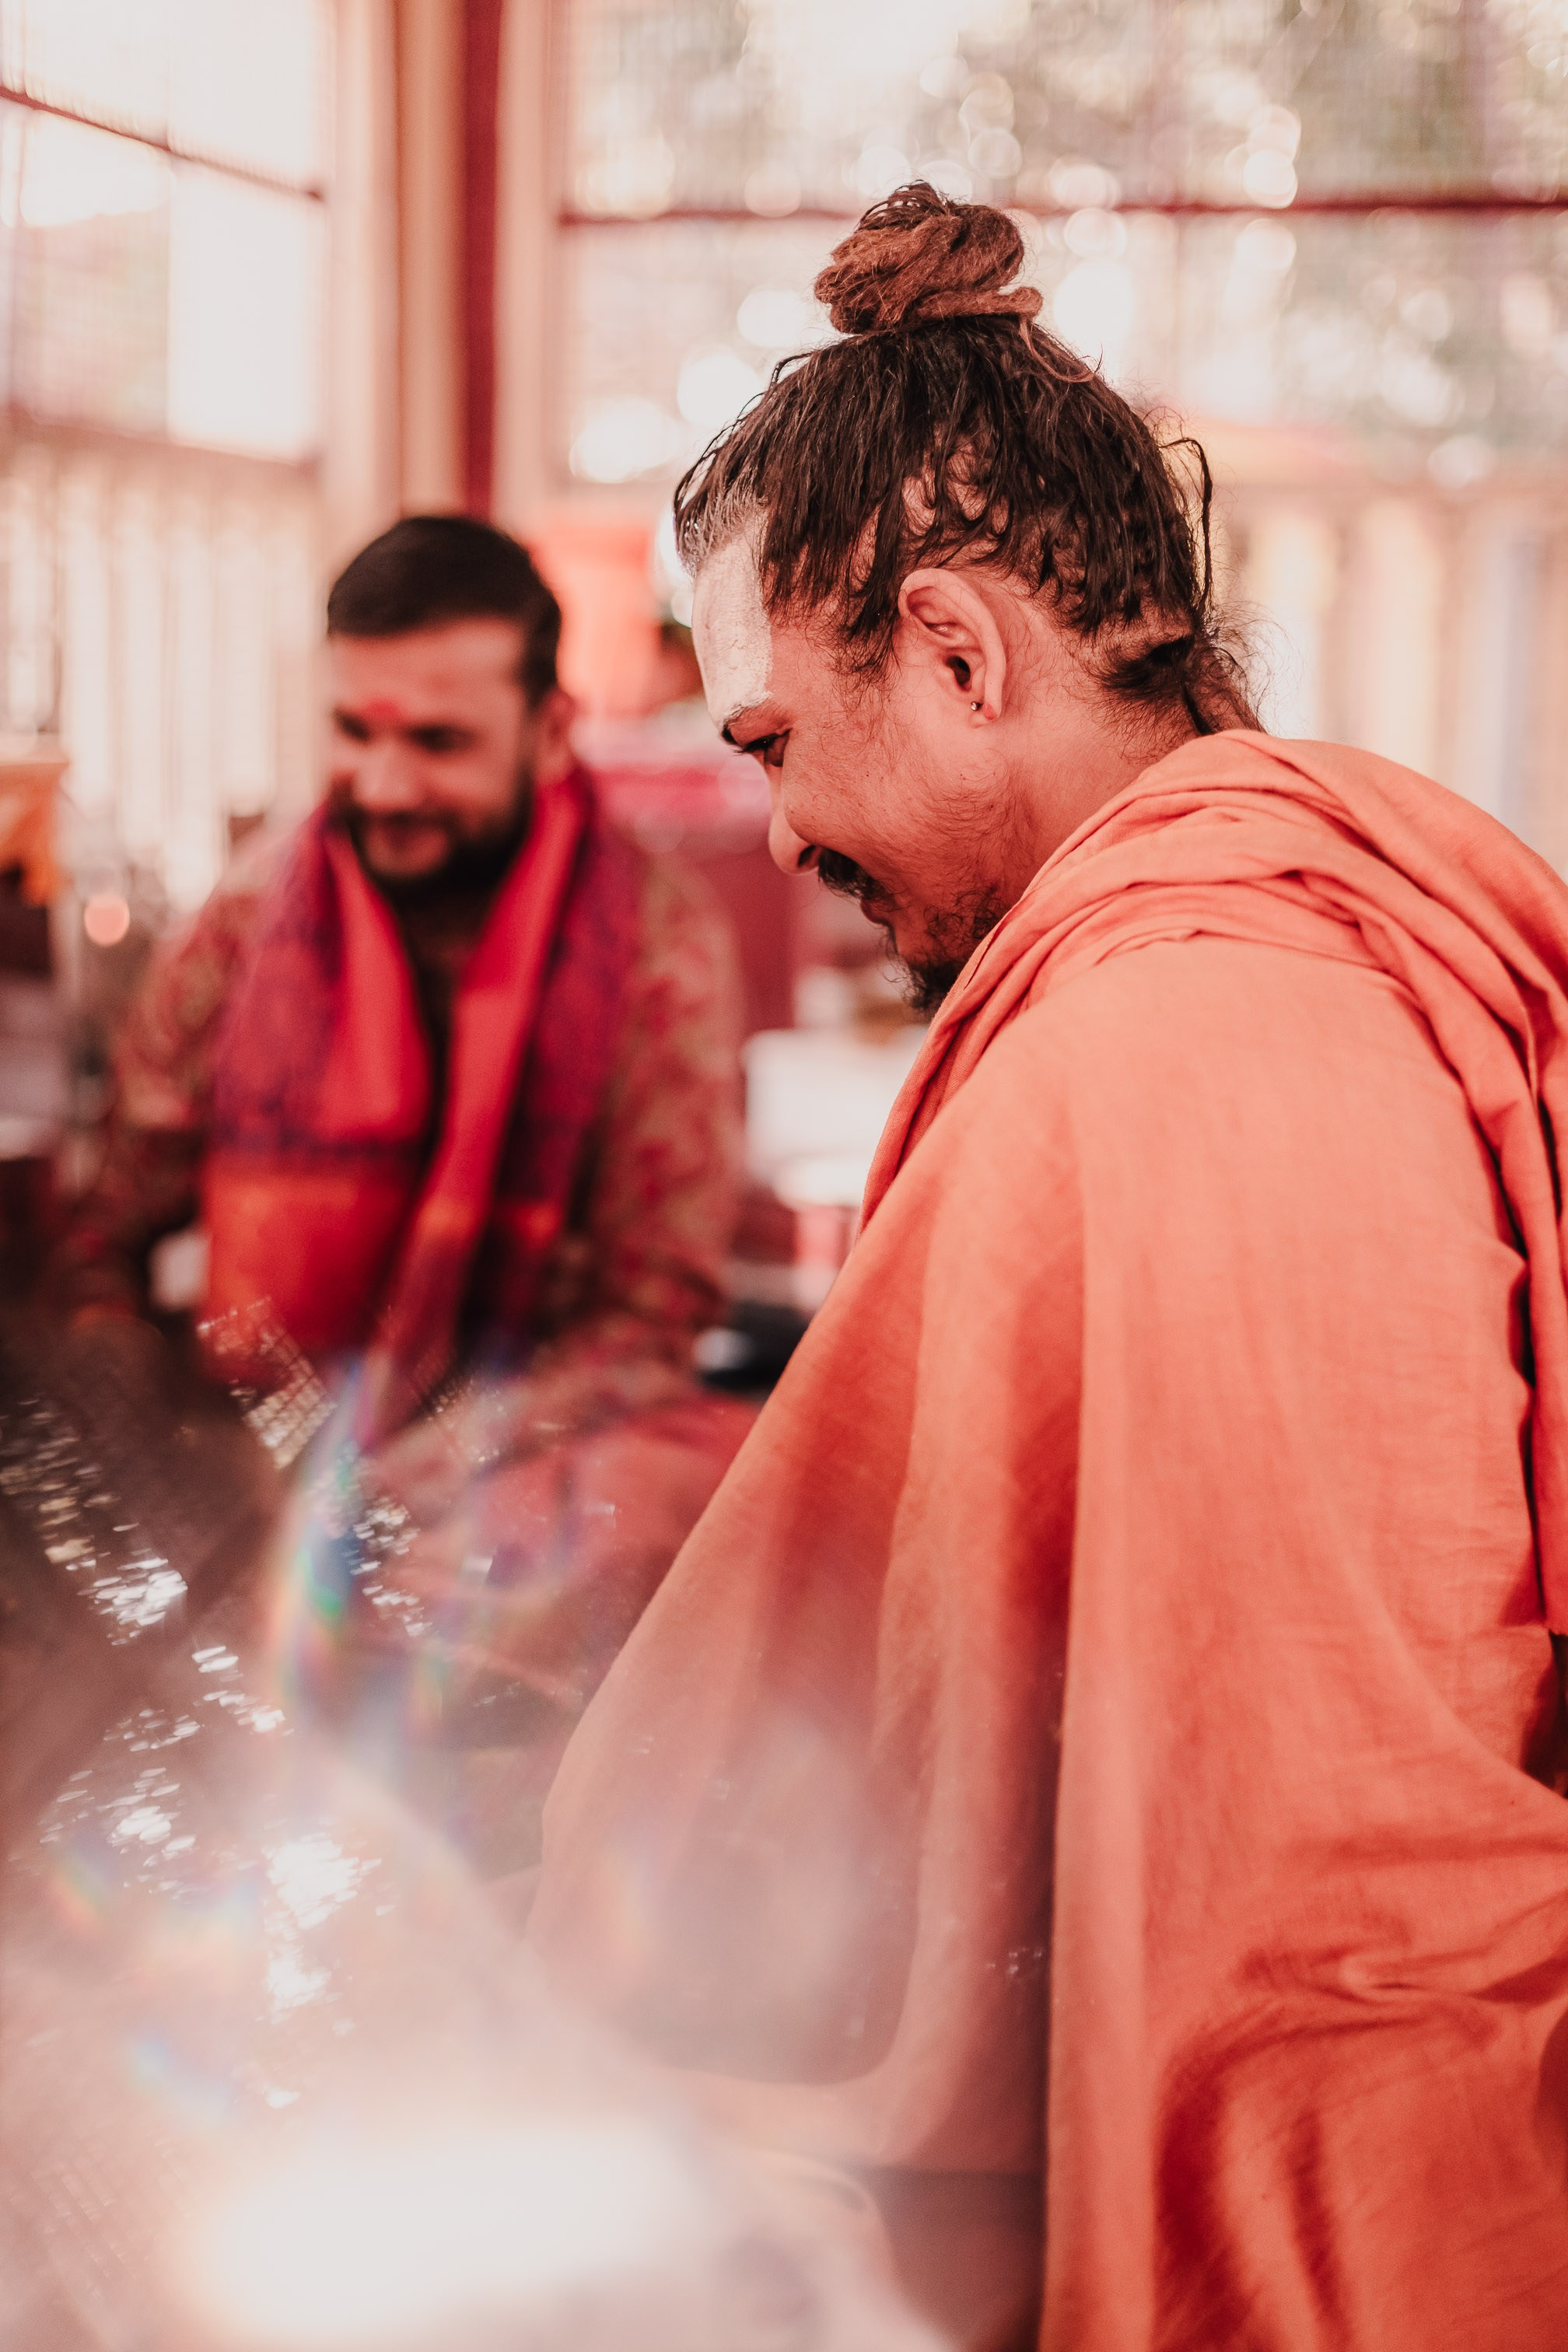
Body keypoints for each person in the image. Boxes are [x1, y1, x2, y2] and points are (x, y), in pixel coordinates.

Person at [527, 186, 1568, 2350]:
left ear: (961, 650)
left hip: (1349, 2207)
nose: (785, 842)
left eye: (775, 745)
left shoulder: (1154, 1050)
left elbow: (1240, 1852)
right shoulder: (1353, 941)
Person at [53, 514, 750, 1720]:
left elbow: (649, 1321)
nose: (384, 786)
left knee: (714, 1503)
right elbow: (98, 1235)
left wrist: (397, 1478)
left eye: (436, 742)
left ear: (548, 733)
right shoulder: (249, 917)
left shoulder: (659, 947)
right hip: (245, 1433)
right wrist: (139, 1436)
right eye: (354, 732)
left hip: (510, 1459)